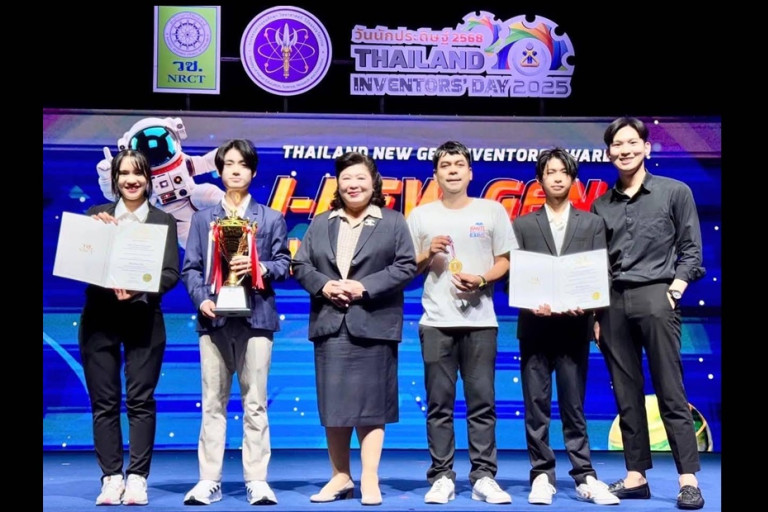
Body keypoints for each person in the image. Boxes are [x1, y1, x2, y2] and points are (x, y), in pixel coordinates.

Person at [590, 117, 706, 510]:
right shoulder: (601, 204)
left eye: (631, 142)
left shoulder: (675, 192)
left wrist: (675, 290)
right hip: (612, 303)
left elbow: (692, 250)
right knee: (626, 393)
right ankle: (636, 476)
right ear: (609, 153)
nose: (624, 150)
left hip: (658, 296)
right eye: (616, 145)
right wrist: (596, 315)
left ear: (646, 147)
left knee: (671, 391)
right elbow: (598, 264)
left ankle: (688, 480)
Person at [292, 151, 417, 506]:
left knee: (371, 406)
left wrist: (363, 287)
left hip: (373, 324)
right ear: (338, 184)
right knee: (334, 405)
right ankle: (340, 476)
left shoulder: (393, 222)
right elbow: (300, 265)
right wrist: (325, 286)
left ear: (373, 182)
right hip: (331, 324)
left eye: (360, 177)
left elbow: (406, 266)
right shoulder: (321, 222)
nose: (353, 184)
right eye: (346, 178)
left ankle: (370, 477)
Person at [180, 139, 291, 506]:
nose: (235, 170)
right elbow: (191, 268)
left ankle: (256, 480)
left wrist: (259, 267)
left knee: (255, 402)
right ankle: (208, 480)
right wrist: (203, 299)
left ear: (253, 171)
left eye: (242, 164)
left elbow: (284, 265)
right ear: (220, 171)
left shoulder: (270, 218)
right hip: (213, 321)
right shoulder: (202, 219)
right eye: (228, 164)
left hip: (256, 318)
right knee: (212, 401)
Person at [406, 140, 514, 505]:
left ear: (470, 172)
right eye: (445, 165)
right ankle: (441, 476)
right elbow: (407, 268)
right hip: (436, 321)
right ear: (435, 175)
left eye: (458, 164)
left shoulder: (492, 210)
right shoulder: (421, 216)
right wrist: (428, 253)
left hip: (481, 321)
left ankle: (484, 476)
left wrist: (482, 279)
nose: (452, 170)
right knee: (440, 404)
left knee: (482, 402)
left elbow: (505, 260)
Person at [512, 148, 618, 506]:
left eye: (563, 172)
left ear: (573, 179)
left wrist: (589, 304)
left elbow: (601, 273)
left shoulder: (592, 224)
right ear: (539, 180)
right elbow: (515, 275)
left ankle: (584, 474)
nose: (556, 178)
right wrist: (529, 301)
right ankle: (542, 474)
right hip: (535, 327)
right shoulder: (523, 224)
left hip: (575, 327)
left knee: (574, 406)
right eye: (550, 172)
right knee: (536, 406)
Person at [78, 149, 180, 506]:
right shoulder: (97, 215)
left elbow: (171, 273)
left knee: (140, 400)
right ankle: (110, 478)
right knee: (103, 402)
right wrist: (96, 237)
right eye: (124, 173)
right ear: (115, 179)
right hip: (99, 319)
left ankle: (137, 478)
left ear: (148, 179)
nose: (131, 180)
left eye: (138, 173)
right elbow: (81, 263)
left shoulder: (163, 220)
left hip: (144, 318)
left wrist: (140, 287)